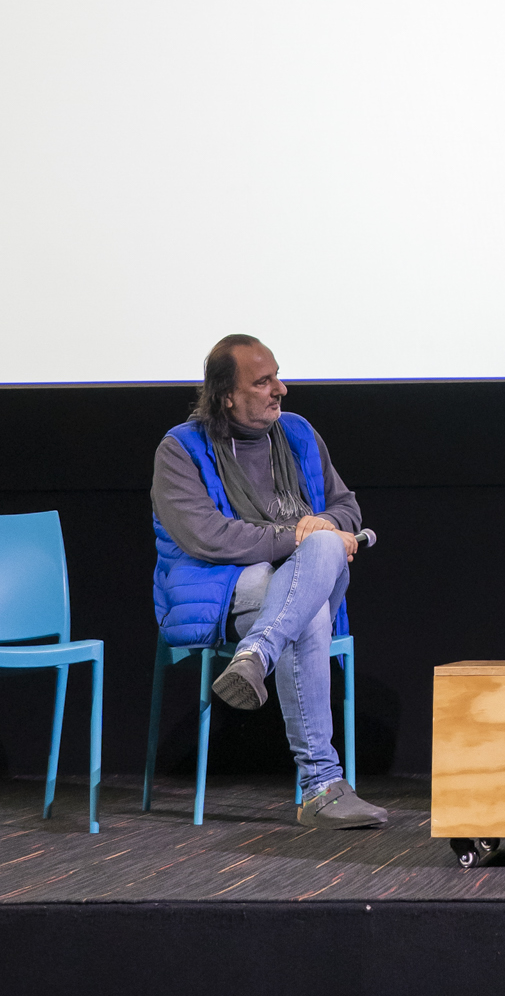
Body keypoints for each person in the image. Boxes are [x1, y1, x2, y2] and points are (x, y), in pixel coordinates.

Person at [150, 334, 389, 829]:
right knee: (308, 612)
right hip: (223, 592)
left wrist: (323, 529)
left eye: (278, 376)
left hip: (302, 582)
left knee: (322, 549)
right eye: (263, 382)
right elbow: (209, 537)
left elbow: (345, 506)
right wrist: (300, 536)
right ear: (226, 396)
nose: (281, 389)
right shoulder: (180, 449)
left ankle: (256, 654)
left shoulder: (298, 433)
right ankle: (320, 786)